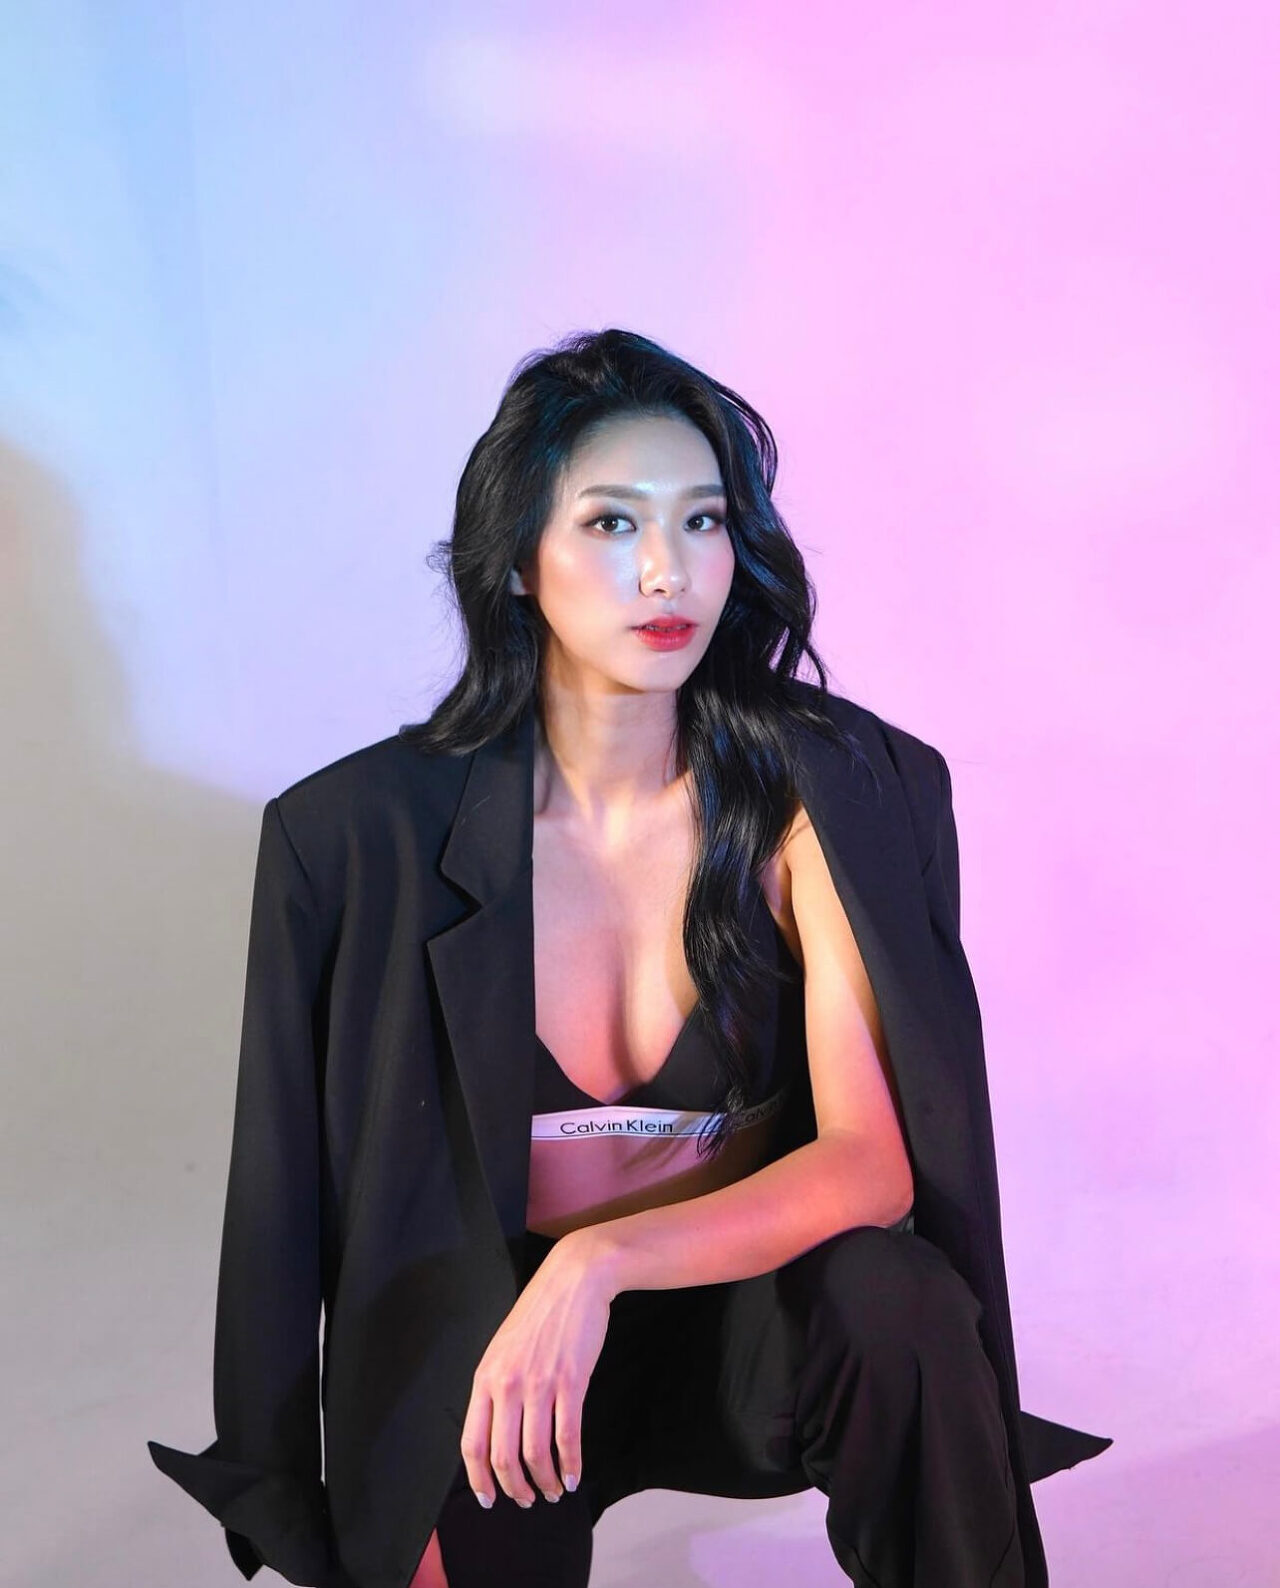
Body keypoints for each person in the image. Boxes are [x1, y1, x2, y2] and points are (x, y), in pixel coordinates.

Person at [148, 328, 1111, 1588]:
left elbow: (870, 1165)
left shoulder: (819, 793)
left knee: (897, 1301)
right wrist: (303, 1483)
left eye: (701, 520)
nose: (667, 569)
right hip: (499, 1357)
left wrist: (598, 1263)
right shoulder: (351, 838)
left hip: (752, 1320)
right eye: (611, 523)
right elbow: (281, 1196)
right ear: (515, 561)